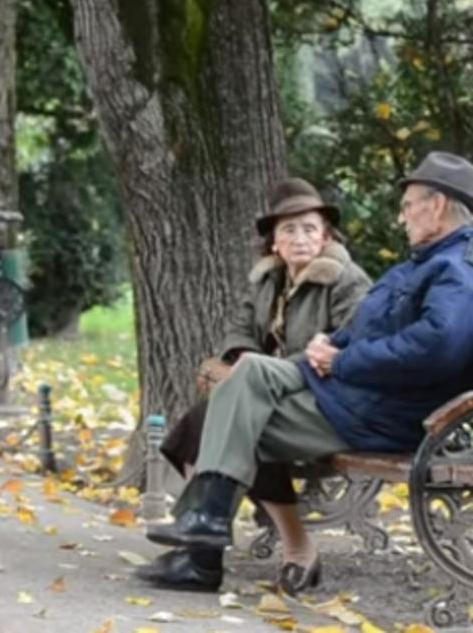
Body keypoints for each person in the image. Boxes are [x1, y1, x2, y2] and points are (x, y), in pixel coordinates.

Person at [147, 151, 473, 594]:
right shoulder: (421, 264)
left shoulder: (457, 268)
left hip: (382, 413)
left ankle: (203, 548)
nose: (402, 217)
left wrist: (342, 360)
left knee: (231, 416)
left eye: (408, 205)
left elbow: (436, 348)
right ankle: (205, 529)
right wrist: (330, 346)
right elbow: (362, 328)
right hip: (352, 394)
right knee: (246, 381)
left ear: (437, 205)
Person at [139, 178, 371, 594]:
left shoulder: (347, 280)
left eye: (310, 229)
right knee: (199, 425)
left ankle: (225, 553)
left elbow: (348, 348)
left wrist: (266, 370)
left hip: (321, 395)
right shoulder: (268, 281)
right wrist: (241, 358)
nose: (300, 239)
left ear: (326, 236)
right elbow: (240, 330)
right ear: (273, 242)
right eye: (289, 230)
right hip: (269, 388)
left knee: (245, 423)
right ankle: (202, 553)